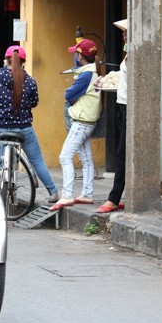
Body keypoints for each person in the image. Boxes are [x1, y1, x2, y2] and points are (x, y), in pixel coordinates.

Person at [0, 45, 60, 203]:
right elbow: (34, 102)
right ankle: (53, 192)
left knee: (3, 143)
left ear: (6, 60)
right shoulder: (30, 81)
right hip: (23, 128)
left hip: (1, 127)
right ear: (23, 62)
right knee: (37, 161)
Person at [51, 39, 101, 211]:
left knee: (65, 157)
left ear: (80, 56)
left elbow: (69, 94)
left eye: (75, 53)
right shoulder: (92, 72)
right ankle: (87, 193)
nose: (74, 56)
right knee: (87, 159)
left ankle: (67, 195)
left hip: (80, 122)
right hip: (89, 121)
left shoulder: (85, 75)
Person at [97, 19, 128, 213]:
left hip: (128, 107)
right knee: (121, 152)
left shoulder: (136, 54)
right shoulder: (128, 55)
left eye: (126, 32)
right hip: (121, 104)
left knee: (121, 154)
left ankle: (114, 197)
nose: (123, 36)